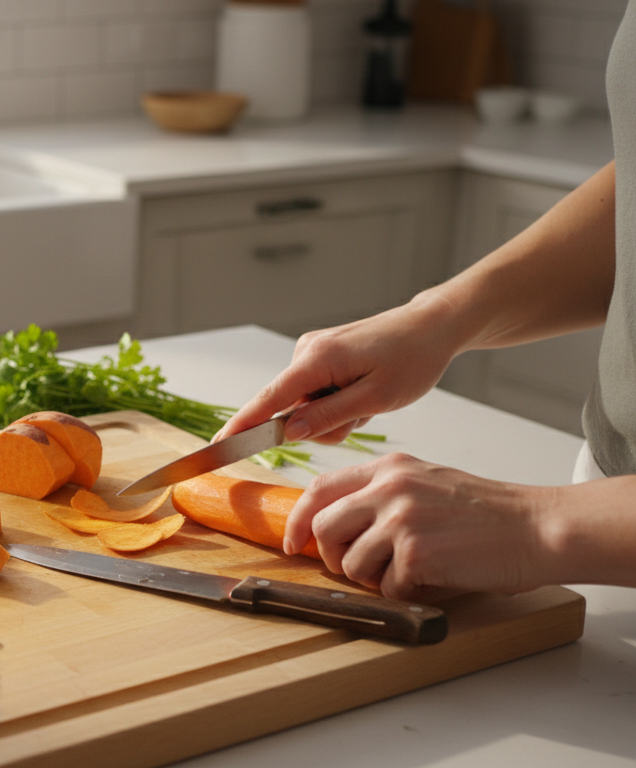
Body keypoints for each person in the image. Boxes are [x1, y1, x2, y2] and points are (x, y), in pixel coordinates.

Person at [213, 8, 636, 603]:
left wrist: (534, 522)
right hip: (598, 533)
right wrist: (437, 318)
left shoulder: (542, 529)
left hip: (581, 535)